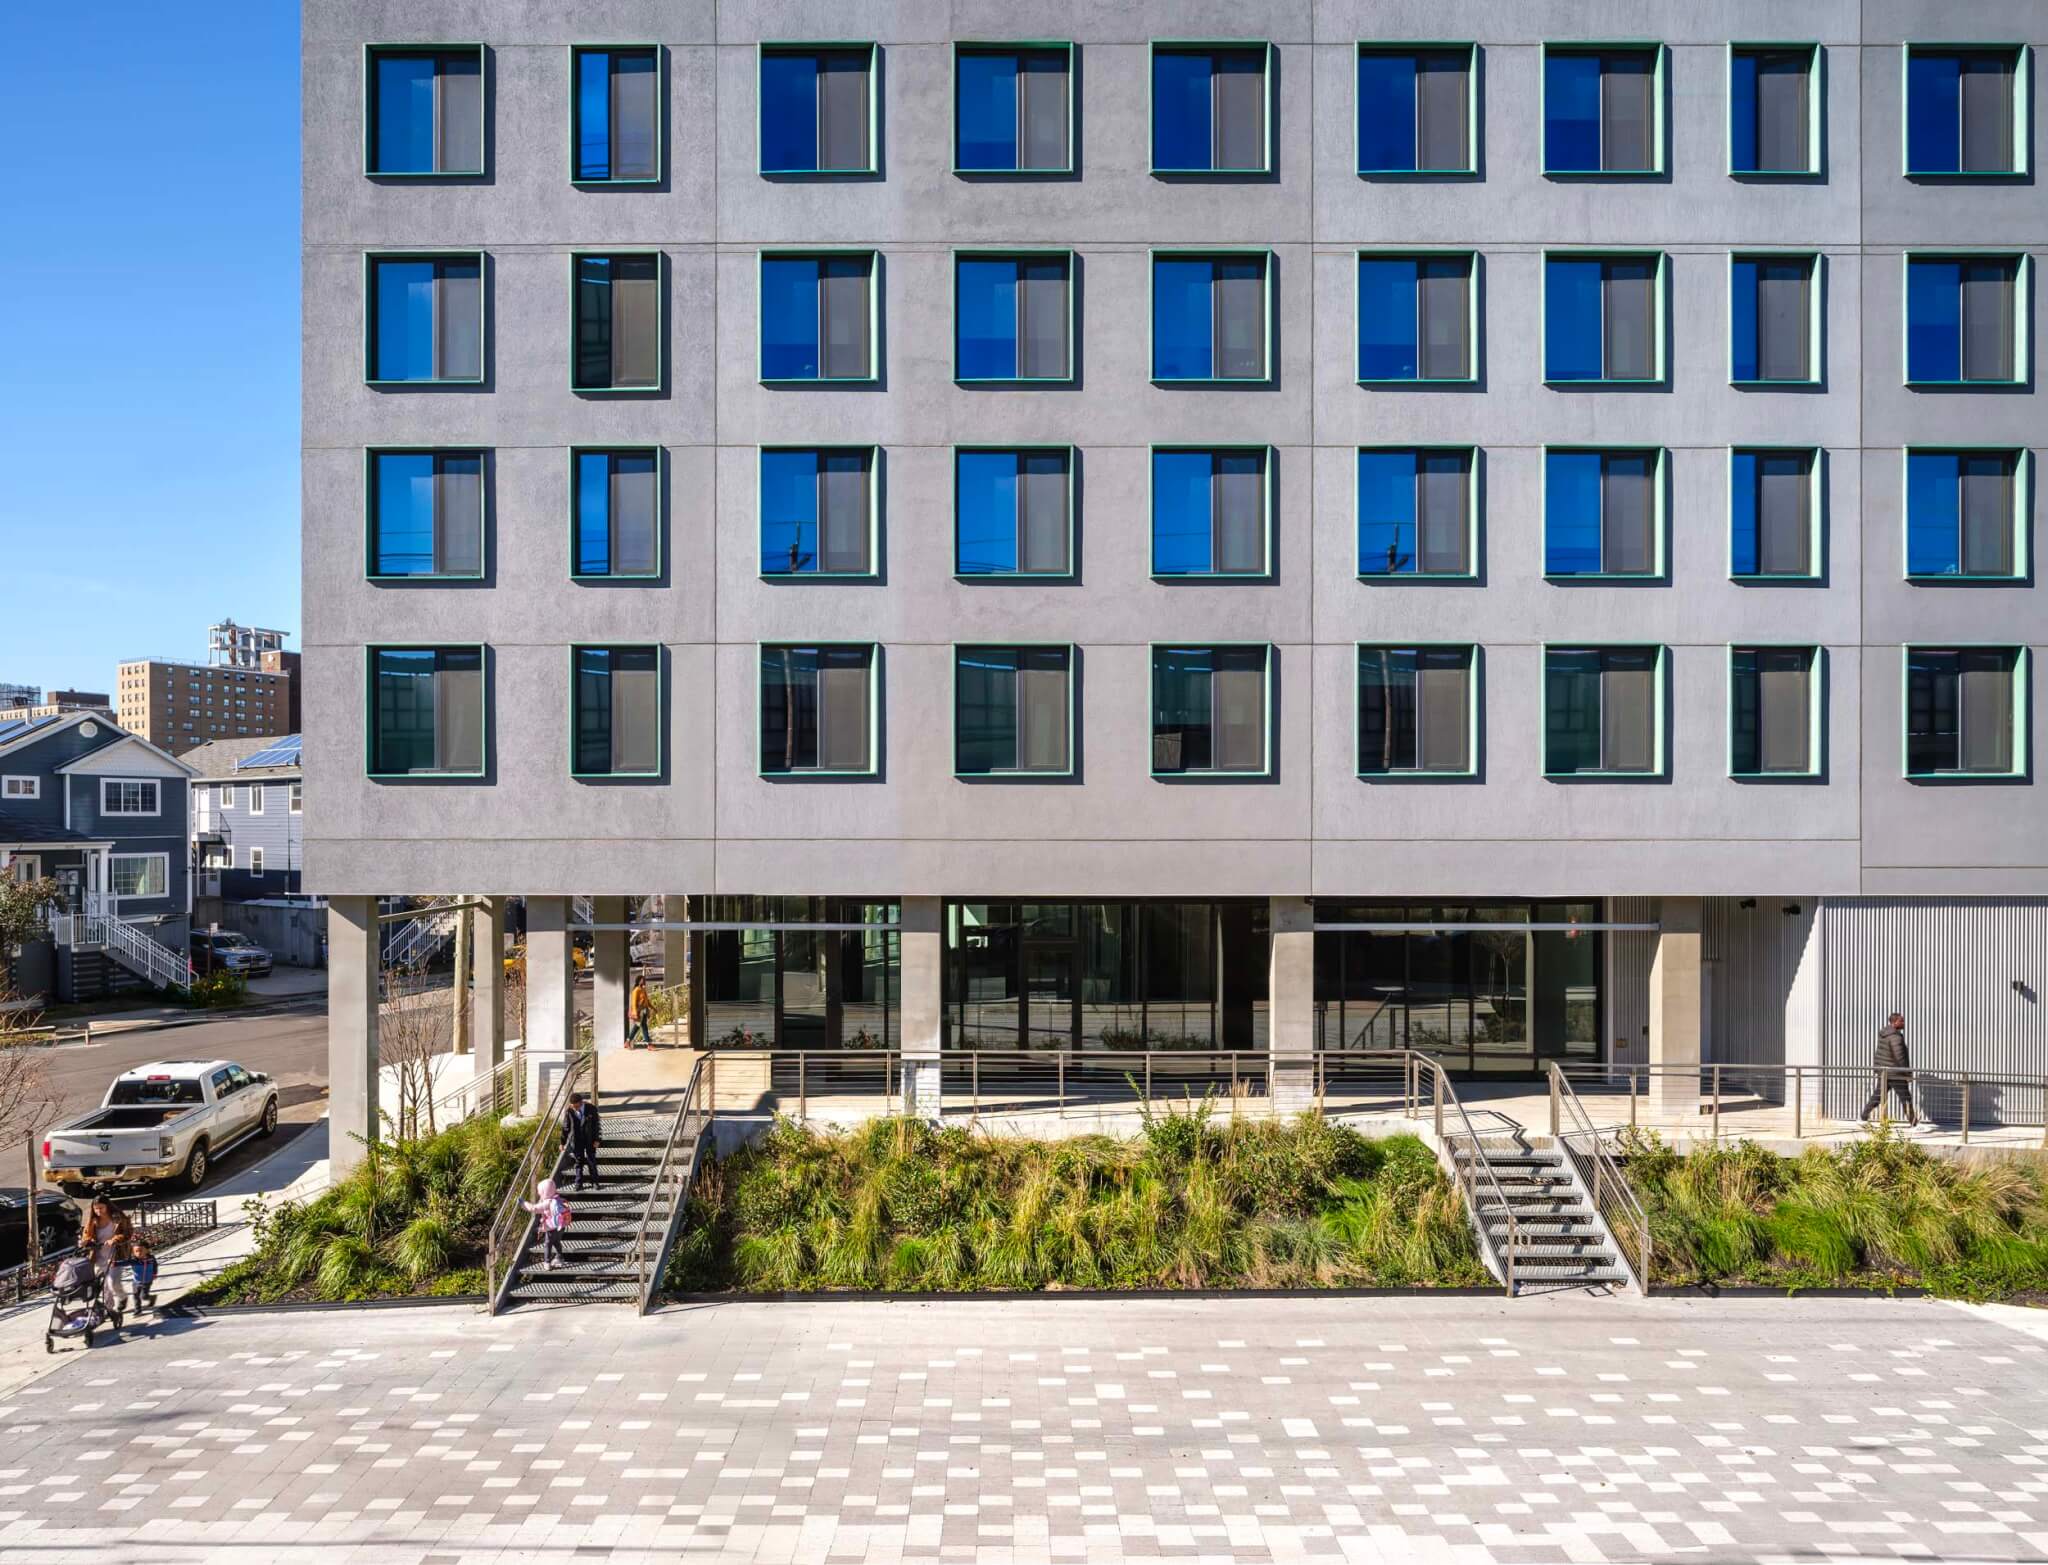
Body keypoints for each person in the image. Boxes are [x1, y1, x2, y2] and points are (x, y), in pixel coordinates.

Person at [1861, 1011, 1919, 1126]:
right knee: (1905, 1097)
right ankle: (1914, 1124)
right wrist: (1906, 1073)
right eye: (1901, 1021)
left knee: (1878, 1095)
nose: (1903, 1023)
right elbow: (1900, 1056)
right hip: (1895, 1073)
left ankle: (1862, 1118)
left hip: (1885, 1072)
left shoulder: (1885, 1034)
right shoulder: (1895, 1036)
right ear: (1895, 1022)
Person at [84, 1196, 135, 1314]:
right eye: (96, 1209)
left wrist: (115, 1239)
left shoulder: (118, 1218)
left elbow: (127, 1233)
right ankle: (109, 1309)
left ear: (107, 1206)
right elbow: (86, 1235)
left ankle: (122, 1297)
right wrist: (87, 1241)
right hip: (98, 1256)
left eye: (101, 1208)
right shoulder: (93, 1221)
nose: (98, 1211)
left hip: (115, 1255)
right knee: (104, 1285)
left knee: (112, 1282)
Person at [520, 1177, 570, 1270]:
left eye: (540, 1191)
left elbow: (533, 1208)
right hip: (561, 1226)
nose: (539, 1193)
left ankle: (547, 1262)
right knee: (556, 1241)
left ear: (544, 1192)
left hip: (552, 1227)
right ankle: (560, 1257)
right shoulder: (557, 1198)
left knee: (548, 1244)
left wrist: (523, 1203)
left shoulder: (547, 1202)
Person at [562, 1092, 602, 1189]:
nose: (575, 1109)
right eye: (573, 1106)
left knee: (591, 1160)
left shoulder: (591, 1109)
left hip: (589, 1139)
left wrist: (597, 1139)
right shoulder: (569, 1111)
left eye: (576, 1107)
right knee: (578, 1161)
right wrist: (562, 1142)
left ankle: (594, 1181)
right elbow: (565, 1127)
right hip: (576, 1140)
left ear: (581, 1103)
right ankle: (578, 1183)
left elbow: (597, 1125)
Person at [126, 1235, 159, 1310]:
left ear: (147, 1250)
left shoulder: (151, 1259)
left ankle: (151, 1298)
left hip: (147, 1281)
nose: (138, 1253)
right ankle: (137, 1309)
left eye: (141, 1250)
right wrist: (115, 1263)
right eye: (136, 1251)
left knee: (143, 1296)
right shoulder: (134, 1260)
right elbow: (124, 1262)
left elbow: (155, 1265)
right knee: (135, 1295)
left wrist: (154, 1273)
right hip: (136, 1281)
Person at [627, 973, 654, 1047]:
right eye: (643, 980)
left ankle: (628, 1041)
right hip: (639, 1012)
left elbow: (647, 1001)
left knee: (638, 1027)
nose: (644, 981)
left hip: (644, 1011)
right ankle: (649, 1044)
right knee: (644, 1027)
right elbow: (633, 1003)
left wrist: (653, 1008)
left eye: (644, 980)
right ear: (639, 981)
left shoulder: (643, 989)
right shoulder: (636, 990)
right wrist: (635, 1013)